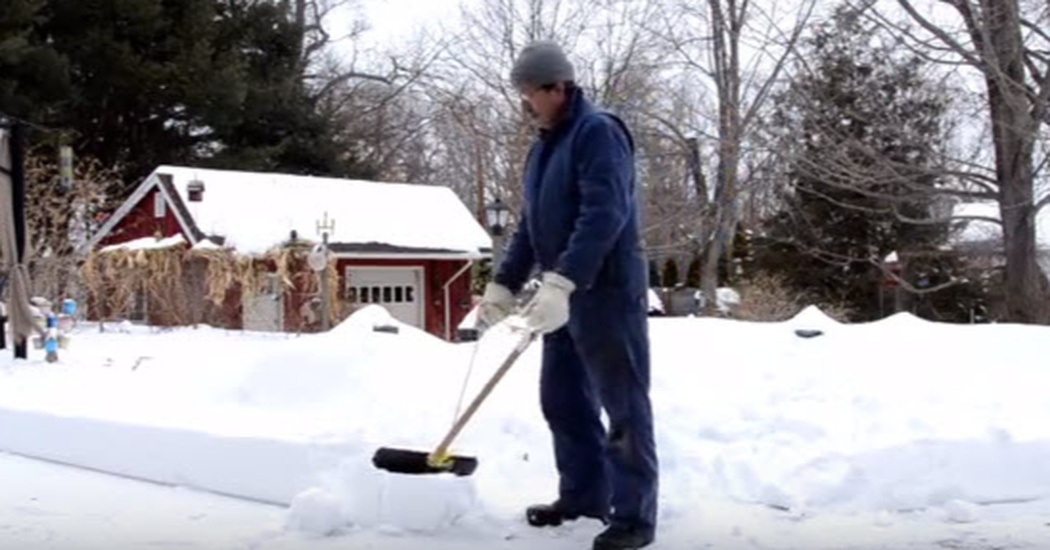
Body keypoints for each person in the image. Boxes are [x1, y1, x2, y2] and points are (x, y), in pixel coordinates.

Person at [478, 41, 658, 550]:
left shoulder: (599, 132)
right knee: (562, 400)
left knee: (622, 405)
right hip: (563, 295)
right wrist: (503, 283)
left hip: (606, 291)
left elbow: (605, 214)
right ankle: (583, 497)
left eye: (529, 93)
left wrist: (563, 281)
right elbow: (533, 227)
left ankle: (634, 518)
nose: (524, 103)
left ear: (558, 87)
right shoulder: (544, 146)